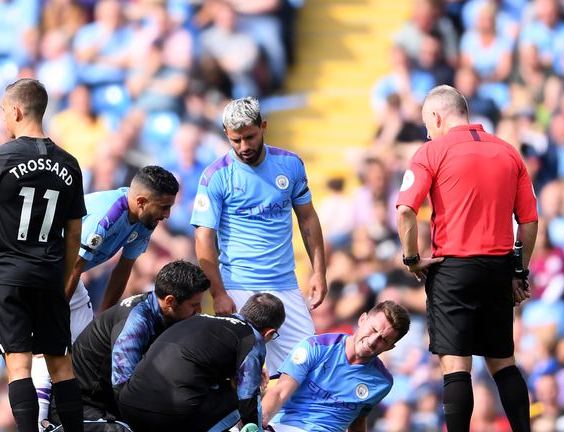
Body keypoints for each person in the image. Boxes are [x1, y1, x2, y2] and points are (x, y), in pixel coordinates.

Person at [396, 84, 538, 432]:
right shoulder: (508, 152)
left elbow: (404, 211)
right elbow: (530, 221)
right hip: (498, 267)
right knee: (503, 362)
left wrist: (412, 258)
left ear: (437, 117)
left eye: (427, 123)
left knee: (456, 367)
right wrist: (519, 271)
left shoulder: (430, 152)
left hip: (453, 268)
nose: (427, 131)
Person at [0, 78, 85, 432]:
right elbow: (74, 231)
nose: (2, 118)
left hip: (7, 275)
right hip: (49, 272)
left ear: (15, 111)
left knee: (18, 366)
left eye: (2, 111)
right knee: (61, 365)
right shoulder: (70, 164)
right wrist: (64, 276)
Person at [31, 164, 178, 429]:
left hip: (63, 275)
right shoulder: (107, 216)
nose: (167, 215)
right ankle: (38, 422)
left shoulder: (145, 219)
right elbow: (73, 268)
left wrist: (103, 323)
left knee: (90, 345)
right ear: (142, 201)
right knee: (51, 345)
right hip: (42, 272)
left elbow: (123, 269)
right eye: (164, 207)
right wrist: (51, 321)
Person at [191, 96, 327, 372]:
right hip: (238, 287)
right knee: (241, 373)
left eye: (250, 137)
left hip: (285, 285)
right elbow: (203, 238)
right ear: (226, 135)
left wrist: (319, 272)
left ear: (263, 126)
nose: (244, 147)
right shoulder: (216, 175)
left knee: (306, 368)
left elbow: (308, 218)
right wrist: (218, 293)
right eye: (236, 140)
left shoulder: (290, 165)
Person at [118, 292, 285, 432]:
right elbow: (247, 398)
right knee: (236, 398)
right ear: (269, 332)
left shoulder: (201, 319)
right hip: (166, 415)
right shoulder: (252, 340)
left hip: (129, 406)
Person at [68, 260, 209, 424]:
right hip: (88, 406)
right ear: (170, 301)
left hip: (111, 401)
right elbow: (124, 390)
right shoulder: (136, 322)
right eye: (194, 305)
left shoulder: (164, 312)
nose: (199, 311)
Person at [261, 301, 411, 431]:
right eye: (373, 330)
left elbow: (357, 422)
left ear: (390, 347)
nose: (372, 341)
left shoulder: (382, 382)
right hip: (283, 426)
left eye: (383, 340)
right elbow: (280, 392)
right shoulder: (315, 347)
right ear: (362, 319)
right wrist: (257, 423)